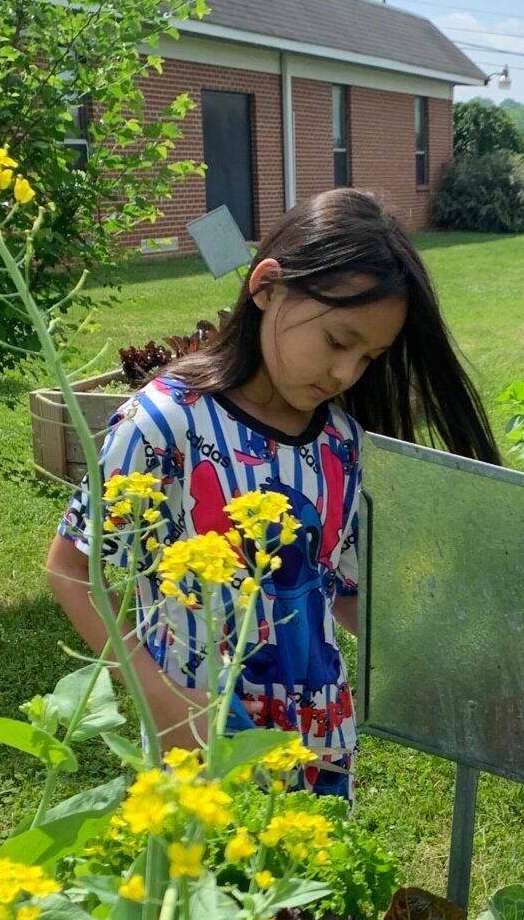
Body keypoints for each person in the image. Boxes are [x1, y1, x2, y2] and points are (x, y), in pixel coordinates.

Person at [47, 189, 498, 797]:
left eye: (369, 358)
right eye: (339, 341)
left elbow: (338, 589)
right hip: (202, 739)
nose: (345, 374)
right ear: (267, 287)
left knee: (305, 889)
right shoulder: (165, 424)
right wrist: (161, 697)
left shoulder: (341, 442)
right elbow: (74, 567)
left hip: (320, 743)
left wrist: (433, 649)